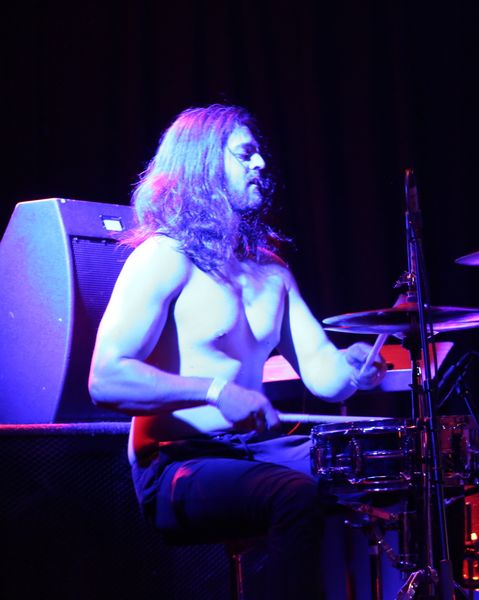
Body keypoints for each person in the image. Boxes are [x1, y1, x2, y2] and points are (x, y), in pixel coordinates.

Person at [88, 104, 386, 597]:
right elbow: (106, 379)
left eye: (258, 155)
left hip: (257, 453)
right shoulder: (163, 257)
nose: (261, 165)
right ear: (204, 162)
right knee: (293, 496)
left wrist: (355, 367)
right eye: (245, 154)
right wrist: (215, 391)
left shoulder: (272, 272)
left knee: (384, 468)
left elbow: (325, 378)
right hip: (178, 463)